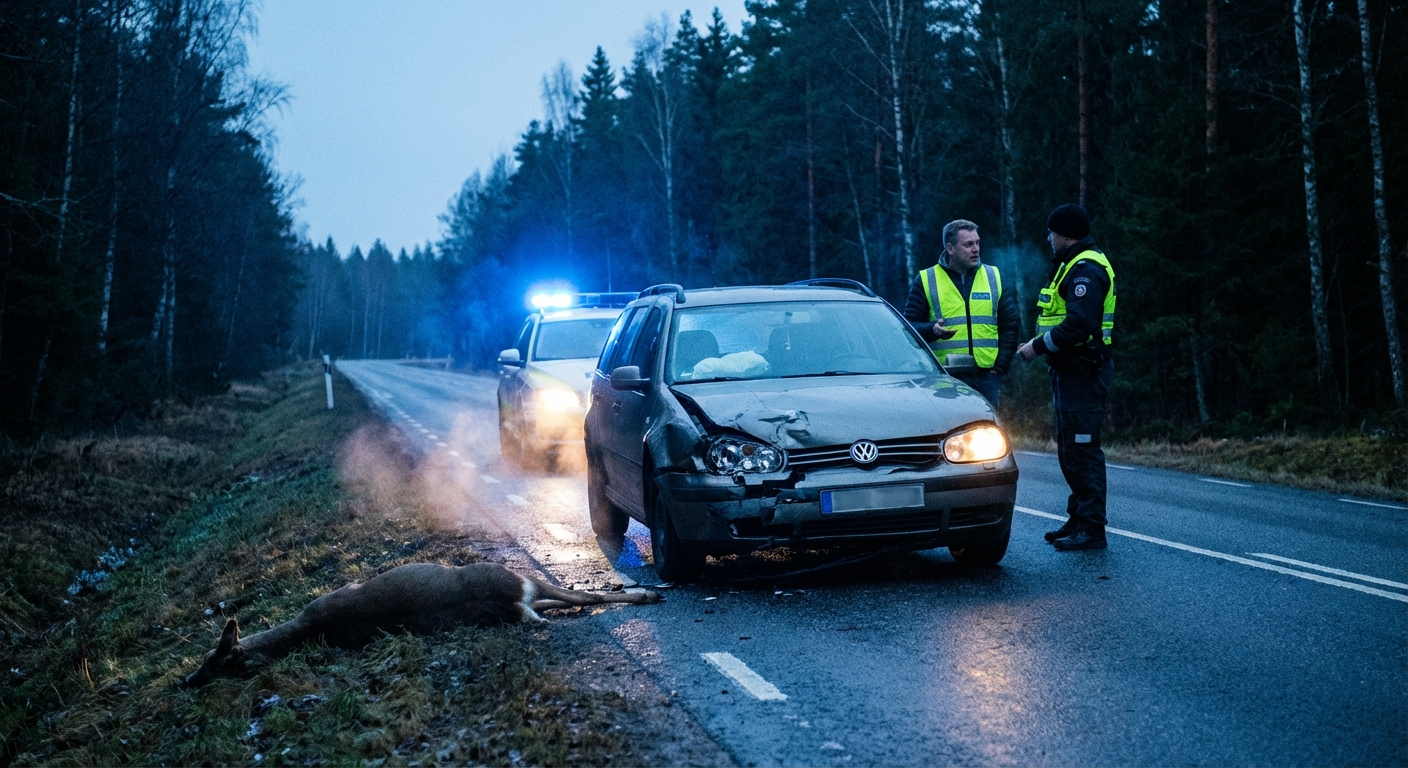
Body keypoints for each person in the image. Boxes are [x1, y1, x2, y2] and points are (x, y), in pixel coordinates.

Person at [1017, 204, 1116, 551]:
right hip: (1071, 371)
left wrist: (1036, 347)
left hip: (1084, 371)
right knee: (1071, 450)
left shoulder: (1085, 269)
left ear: (1066, 234)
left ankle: (1092, 528)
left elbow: (1080, 324)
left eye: (1052, 232)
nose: (1049, 237)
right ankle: (1078, 518)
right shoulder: (1071, 264)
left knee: (1083, 450)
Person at [903, 220, 1020, 407]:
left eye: (977, 243)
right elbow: (909, 328)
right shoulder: (927, 279)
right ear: (950, 248)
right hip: (944, 378)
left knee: (987, 424)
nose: (976, 249)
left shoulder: (993, 276)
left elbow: (1010, 324)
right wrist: (932, 330)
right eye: (968, 244)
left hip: (986, 376)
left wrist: (1000, 366)